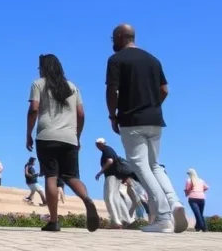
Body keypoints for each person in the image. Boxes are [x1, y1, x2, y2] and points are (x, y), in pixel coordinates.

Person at [105, 24, 188, 234]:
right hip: (155, 120)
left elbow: (112, 90)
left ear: (122, 36)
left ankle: (162, 217)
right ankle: (175, 202)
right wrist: (152, 106)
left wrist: (112, 115)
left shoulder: (116, 60)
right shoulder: (153, 59)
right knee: (155, 165)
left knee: (140, 166)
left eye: (113, 37)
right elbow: (164, 90)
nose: (112, 41)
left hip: (132, 119)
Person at [26, 53, 99, 232]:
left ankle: (53, 221)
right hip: (69, 138)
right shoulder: (73, 87)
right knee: (71, 176)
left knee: (51, 176)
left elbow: (33, 110)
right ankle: (87, 200)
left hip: (46, 136)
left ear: (44, 68)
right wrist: (78, 136)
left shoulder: (38, 83)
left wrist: (28, 133)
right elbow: (81, 114)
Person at [94, 138, 134, 227]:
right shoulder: (109, 149)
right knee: (117, 198)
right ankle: (125, 219)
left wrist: (101, 172)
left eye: (97, 144)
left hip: (111, 175)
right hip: (117, 176)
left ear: (101, 144)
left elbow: (110, 161)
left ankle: (116, 221)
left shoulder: (106, 150)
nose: (97, 146)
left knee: (108, 197)